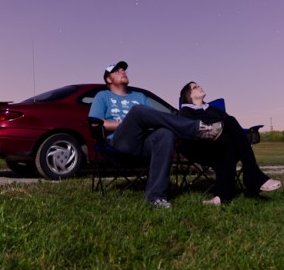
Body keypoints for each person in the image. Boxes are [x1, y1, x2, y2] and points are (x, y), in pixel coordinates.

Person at [88, 61, 216, 209]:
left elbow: (154, 120)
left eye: (124, 70)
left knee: (165, 133)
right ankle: (196, 128)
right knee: (137, 112)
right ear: (108, 80)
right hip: (121, 142)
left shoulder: (140, 96)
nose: (123, 72)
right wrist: (125, 123)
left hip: (143, 143)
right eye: (117, 71)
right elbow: (96, 123)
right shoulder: (103, 96)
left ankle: (156, 196)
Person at [178, 81, 282, 205]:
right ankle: (253, 177)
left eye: (199, 85)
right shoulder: (186, 111)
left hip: (221, 146)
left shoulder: (213, 109)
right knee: (230, 122)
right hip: (200, 147)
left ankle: (221, 197)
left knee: (229, 147)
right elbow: (190, 130)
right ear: (188, 95)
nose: (200, 87)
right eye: (195, 87)